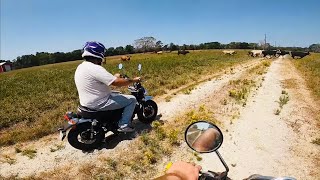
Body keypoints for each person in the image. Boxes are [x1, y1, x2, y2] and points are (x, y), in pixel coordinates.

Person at [74, 41, 141, 132]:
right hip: (99, 102)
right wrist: (134, 80)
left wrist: (114, 77)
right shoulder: (95, 68)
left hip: (88, 102)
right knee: (132, 99)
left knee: (117, 94)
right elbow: (116, 83)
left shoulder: (81, 66)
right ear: (99, 54)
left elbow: (99, 80)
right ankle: (123, 125)